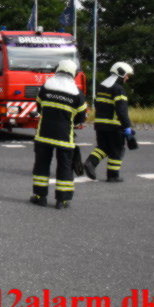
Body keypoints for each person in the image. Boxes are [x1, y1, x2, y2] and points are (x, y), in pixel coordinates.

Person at [30, 60, 87, 209]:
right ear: (73, 73)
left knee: (41, 166)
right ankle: (62, 200)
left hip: (43, 135)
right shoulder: (77, 93)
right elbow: (81, 117)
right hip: (64, 137)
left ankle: (39, 196)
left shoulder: (46, 87)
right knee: (65, 167)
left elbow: (39, 107)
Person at [83, 62, 134, 182]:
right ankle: (113, 175)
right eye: (126, 75)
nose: (127, 78)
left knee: (103, 147)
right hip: (114, 126)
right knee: (117, 149)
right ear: (121, 73)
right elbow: (122, 111)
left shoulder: (101, 86)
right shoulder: (118, 89)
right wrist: (128, 127)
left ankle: (91, 162)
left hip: (100, 125)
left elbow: (97, 103)